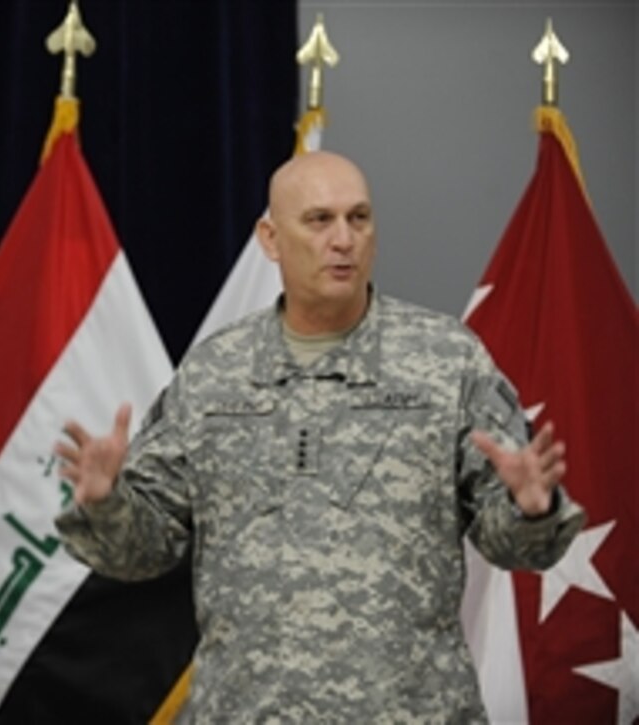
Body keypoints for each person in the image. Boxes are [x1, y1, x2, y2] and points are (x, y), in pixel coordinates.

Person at [53, 150, 586, 722]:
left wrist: (532, 510)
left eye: (359, 219)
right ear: (270, 237)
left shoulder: (447, 361)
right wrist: (107, 504)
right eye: (319, 220)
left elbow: (514, 547)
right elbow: (142, 551)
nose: (344, 239)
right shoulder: (215, 372)